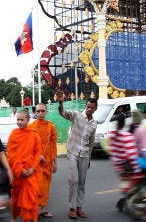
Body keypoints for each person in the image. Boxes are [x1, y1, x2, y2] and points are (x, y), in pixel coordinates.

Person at [56, 89, 97, 219]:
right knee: (73, 180)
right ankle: (72, 208)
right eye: (88, 106)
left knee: (82, 182)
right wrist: (61, 103)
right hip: (72, 151)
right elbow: (63, 113)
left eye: (92, 107)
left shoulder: (94, 124)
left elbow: (91, 143)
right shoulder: (76, 115)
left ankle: (79, 207)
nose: (89, 109)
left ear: (95, 109)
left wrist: (89, 158)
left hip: (85, 154)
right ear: (85, 106)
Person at [7, 110, 42, 222]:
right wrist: (20, 169)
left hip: (31, 172)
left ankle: (29, 219)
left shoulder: (34, 134)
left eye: (22, 119)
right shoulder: (14, 134)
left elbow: (37, 153)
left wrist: (32, 168)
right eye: (18, 119)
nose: (19, 122)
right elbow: (10, 155)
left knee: (31, 197)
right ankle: (13, 218)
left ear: (28, 120)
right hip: (17, 173)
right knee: (15, 198)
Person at [28, 103, 58, 219]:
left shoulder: (51, 126)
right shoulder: (31, 127)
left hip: (47, 161)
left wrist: (55, 162)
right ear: (35, 112)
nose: (40, 113)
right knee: (35, 187)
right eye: (38, 111)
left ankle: (41, 210)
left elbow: (53, 145)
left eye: (42, 111)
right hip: (34, 162)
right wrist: (37, 155)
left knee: (45, 187)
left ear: (46, 112)